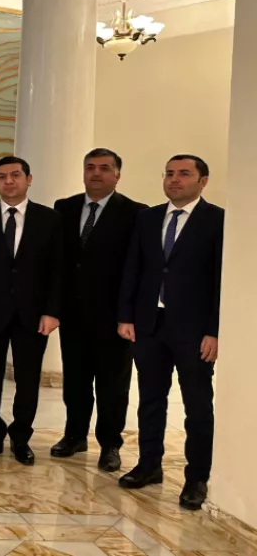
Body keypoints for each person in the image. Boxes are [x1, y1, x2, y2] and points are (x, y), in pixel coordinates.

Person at [118, 154, 224, 511]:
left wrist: (214, 331)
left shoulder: (218, 220)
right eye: (169, 173)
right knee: (150, 399)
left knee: (197, 404)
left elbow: (221, 280)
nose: (174, 179)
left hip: (194, 331)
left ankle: (197, 477)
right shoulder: (148, 218)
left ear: (203, 181)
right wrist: (126, 316)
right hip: (149, 325)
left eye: (184, 174)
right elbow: (133, 268)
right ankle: (149, 465)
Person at [0, 156, 62, 466]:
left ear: (29, 179)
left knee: (28, 379)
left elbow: (58, 271)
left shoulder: (50, 219)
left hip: (33, 314)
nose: (9, 181)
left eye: (15, 175)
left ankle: (21, 437)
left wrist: (52, 311)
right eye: (2, 176)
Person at [51, 149, 145, 472]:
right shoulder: (64, 208)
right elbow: (59, 262)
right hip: (73, 313)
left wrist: (129, 314)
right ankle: (74, 436)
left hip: (114, 317)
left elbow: (136, 267)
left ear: (117, 175)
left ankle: (110, 444)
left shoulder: (135, 213)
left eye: (104, 168)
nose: (96, 173)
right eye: (90, 167)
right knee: (75, 380)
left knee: (112, 385)